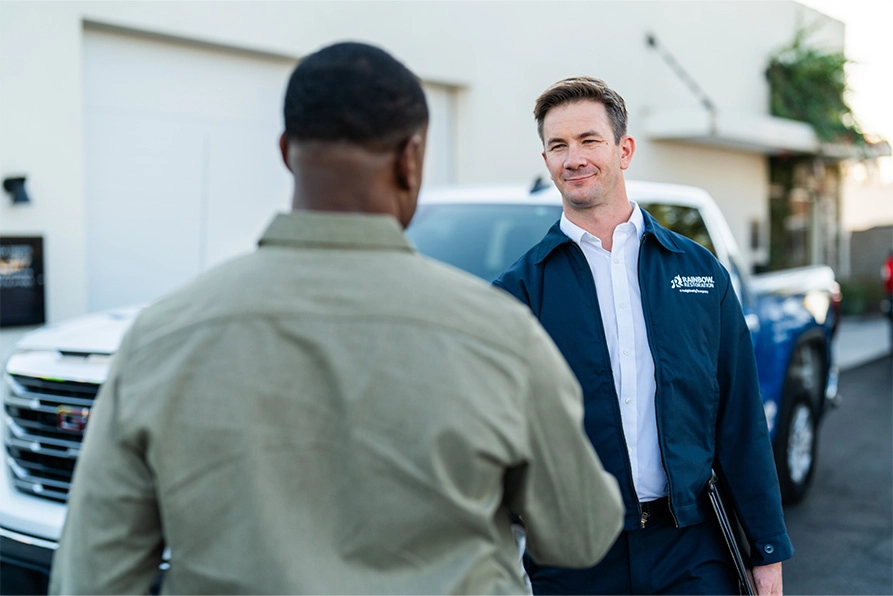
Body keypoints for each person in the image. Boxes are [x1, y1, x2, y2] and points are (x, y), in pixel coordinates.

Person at [48, 44, 624, 595]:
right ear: (410, 158)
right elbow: (581, 533)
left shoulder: (161, 336)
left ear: (285, 151)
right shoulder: (500, 335)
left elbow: (92, 576)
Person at [494, 76, 792, 595]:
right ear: (546, 161)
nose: (574, 158)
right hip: (574, 557)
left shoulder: (699, 274)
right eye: (558, 146)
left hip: (692, 550)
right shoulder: (519, 292)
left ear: (624, 149)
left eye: (589, 140)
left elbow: (740, 420)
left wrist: (767, 549)